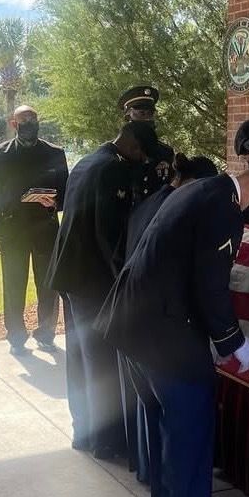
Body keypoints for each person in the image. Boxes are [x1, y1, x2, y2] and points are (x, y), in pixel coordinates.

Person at [95, 163, 249, 497]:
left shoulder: (201, 188)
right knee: (191, 420)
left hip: (134, 325)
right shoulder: (224, 210)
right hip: (165, 333)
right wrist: (234, 342)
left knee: (166, 423)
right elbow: (210, 286)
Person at [46, 121, 159, 460]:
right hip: (92, 279)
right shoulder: (111, 169)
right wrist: (123, 281)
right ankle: (104, 440)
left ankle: (83, 430)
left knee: (80, 356)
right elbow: (107, 234)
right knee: (100, 360)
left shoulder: (87, 160)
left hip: (70, 274)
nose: (141, 160)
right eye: (140, 152)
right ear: (131, 143)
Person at [119, 152, 218, 480]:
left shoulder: (153, 201)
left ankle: (148, 473)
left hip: (131, 318)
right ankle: (167, 492)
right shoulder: (177, 209)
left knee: (148, 412)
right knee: (174, 417)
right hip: (157, 325)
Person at [0, 106, 68, 355]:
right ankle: (16, 337)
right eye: (24, 120)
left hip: (46, 229)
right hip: (13, 232)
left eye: (33, 119)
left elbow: (67, 192)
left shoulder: (55, 153)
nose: (29, 123)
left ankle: (46, 334)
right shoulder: (0, 155)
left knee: (47, 286)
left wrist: (53, 201)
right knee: (13, 285)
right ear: (14, 123)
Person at [118, 85, 175, 201]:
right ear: (128, 115)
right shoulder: (118, 154)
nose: (147, 118)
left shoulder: (166, 152)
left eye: (150, 113)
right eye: (142, 113)